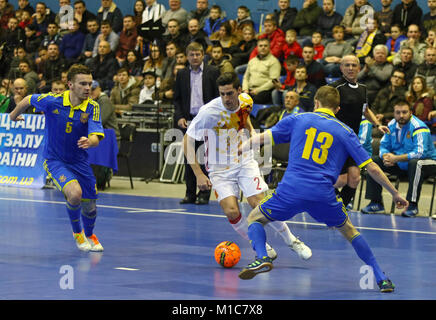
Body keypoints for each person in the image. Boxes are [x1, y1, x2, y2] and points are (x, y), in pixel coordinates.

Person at [236, 85, 408, 293]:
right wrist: (395, 193)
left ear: (315, 102)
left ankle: (262, 256)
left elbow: (261, 138)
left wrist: (242, 148)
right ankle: (381, 277)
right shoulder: (345, 131)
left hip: (290, 190)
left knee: (255, 218)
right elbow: (371, 167)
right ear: (337, 109)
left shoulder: (298, 119)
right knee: (349, 231)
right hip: (322, 195)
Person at [184, 72, 312, 262]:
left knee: (259, 203)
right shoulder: (208, 112)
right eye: (222, 94)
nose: (226, 99)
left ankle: (291, 240)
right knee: (232, 211)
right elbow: (187, 140)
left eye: (230, 93)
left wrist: (251, 134)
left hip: (244, 160)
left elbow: (244, 118)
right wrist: (198, 174)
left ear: (239, 91)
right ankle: (260, 245)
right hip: (219, 169)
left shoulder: (246, 101)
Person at [9, 64, 105, 252]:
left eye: (90, 84)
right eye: (83, 84)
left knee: (90, 206)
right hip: (55, 160)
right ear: (70, 84)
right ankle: (78, 234)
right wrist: (13, 116)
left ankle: (90, 233)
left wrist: (90, 141)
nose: (88, 88)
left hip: (80, 162)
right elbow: (28, 99)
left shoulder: (93, 107)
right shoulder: (52, 101)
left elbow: (96, 136)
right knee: (74, 194)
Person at [329, 55, 389, 209]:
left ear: (359, 68)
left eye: (354, 65)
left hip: (352, 140)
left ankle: (339, 209)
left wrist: (377, 125)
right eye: (347, 65)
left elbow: (365, 110)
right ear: (341, 68)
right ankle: (327, 201)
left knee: (355, 178)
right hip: (336, 141)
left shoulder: (363, 88)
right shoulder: (335, 88)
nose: (350, 68)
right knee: (341, 180)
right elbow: (324, 111)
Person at [361, 101, 436, 217]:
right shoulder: (391, 125)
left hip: (428, 163)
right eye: (398, 112)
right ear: (394, 113)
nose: (401, 115)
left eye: (404, 112)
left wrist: (396, 158)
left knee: (416, 163)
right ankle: (376, 203)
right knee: (373, 161)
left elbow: (421, 153)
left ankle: (412, 205)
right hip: (402, 163)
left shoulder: (419, 126)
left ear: (411, 112)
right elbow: (384, 145)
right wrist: (386, 157)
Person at [173, 41, 220, 205]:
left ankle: (204, 193)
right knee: (189, 158)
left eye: (197, 54)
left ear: (203, 56)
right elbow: (177, 99)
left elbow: (218, 97)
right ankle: (190, 193)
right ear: (187, 57)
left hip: (207, 121)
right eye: (191, 55)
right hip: (189, 120)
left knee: (205, 158)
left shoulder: (213, 72)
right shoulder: (181, 74)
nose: (194, 57)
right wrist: (179, 116)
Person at [243, 38, 281, 105]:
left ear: (269, 47)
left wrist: (258, 90)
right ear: (257, 48)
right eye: (260, 46)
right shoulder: (252, 61)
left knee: (254, 99)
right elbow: (246, 77)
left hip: (264, 91)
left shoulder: (274, 61)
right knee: (237, 97)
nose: (263, 48)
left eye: (265, 46)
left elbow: (274, 81)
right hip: (250, 90)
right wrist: (245, 89)